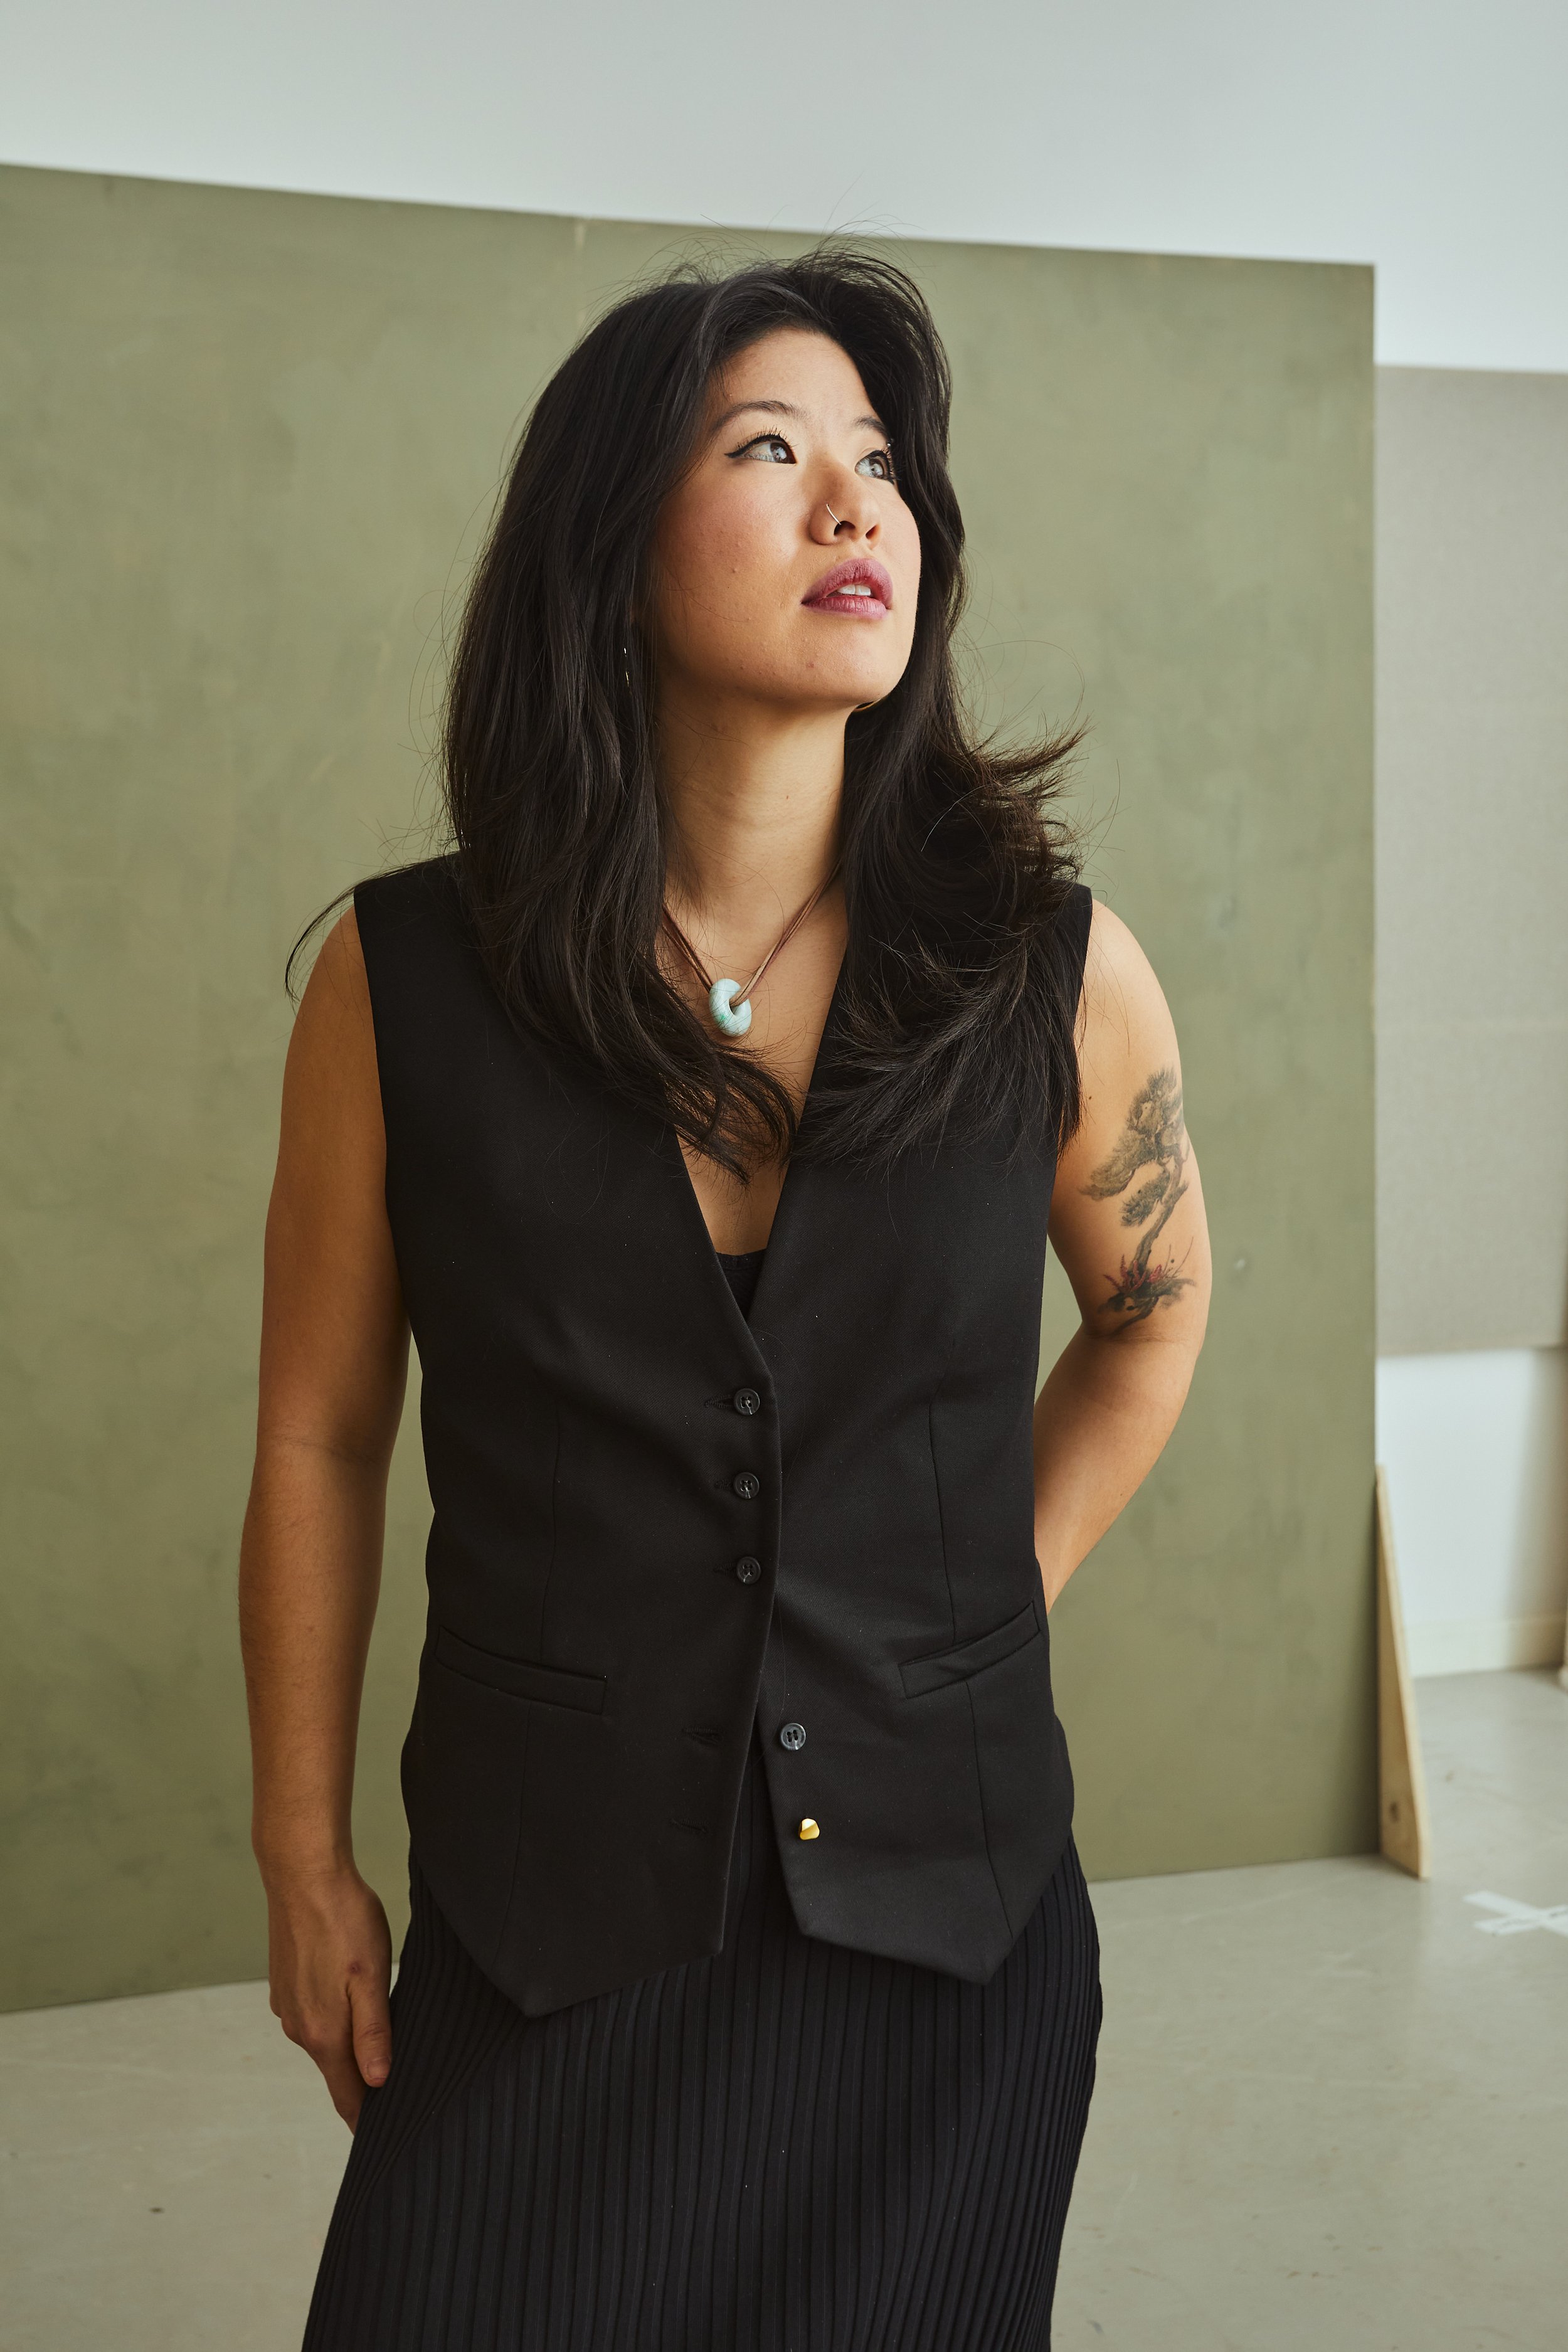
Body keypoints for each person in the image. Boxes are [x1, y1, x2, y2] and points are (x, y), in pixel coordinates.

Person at [239, 246, 1210, 2352]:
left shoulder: (1051, 968)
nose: (858, 506)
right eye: (771, 451)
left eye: (880, 464)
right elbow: (320, 1428)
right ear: (606, 548)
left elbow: (1149, 1316)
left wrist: (981, 1596)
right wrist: (298, 1851)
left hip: (946, 1970)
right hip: (542, 1923)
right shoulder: (399, 983)